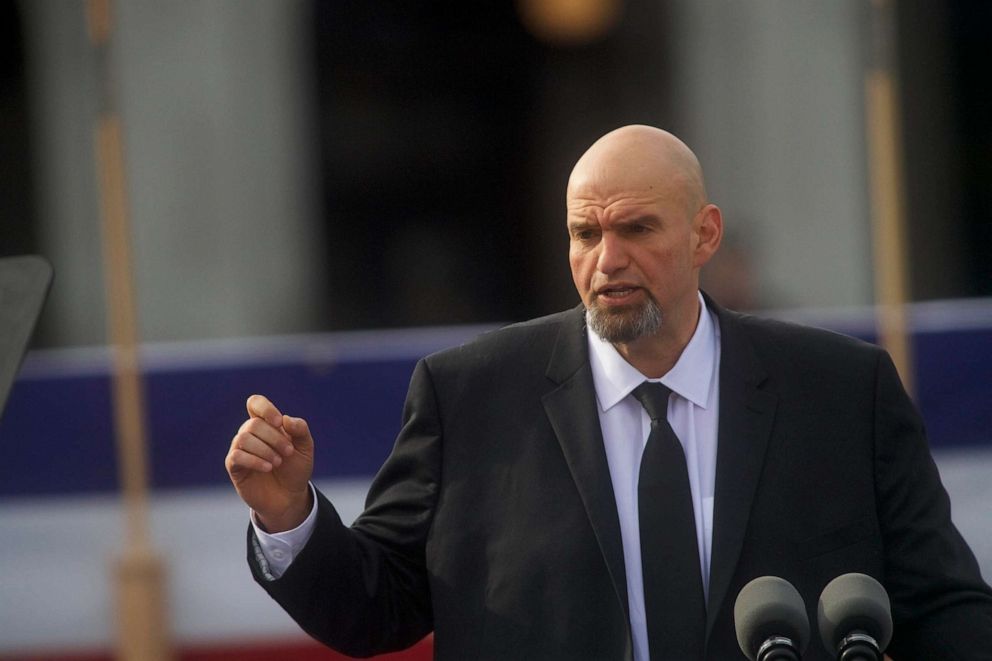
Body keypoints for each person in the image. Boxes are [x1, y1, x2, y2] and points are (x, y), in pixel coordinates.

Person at [225, 125, 992, 660]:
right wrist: (286, 513)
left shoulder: (840, 392)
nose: (608, 260)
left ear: (705, 234)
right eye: (586, 234)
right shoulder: (469, 396)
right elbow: (375, 609)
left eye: (636, 228)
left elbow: (942, 608)